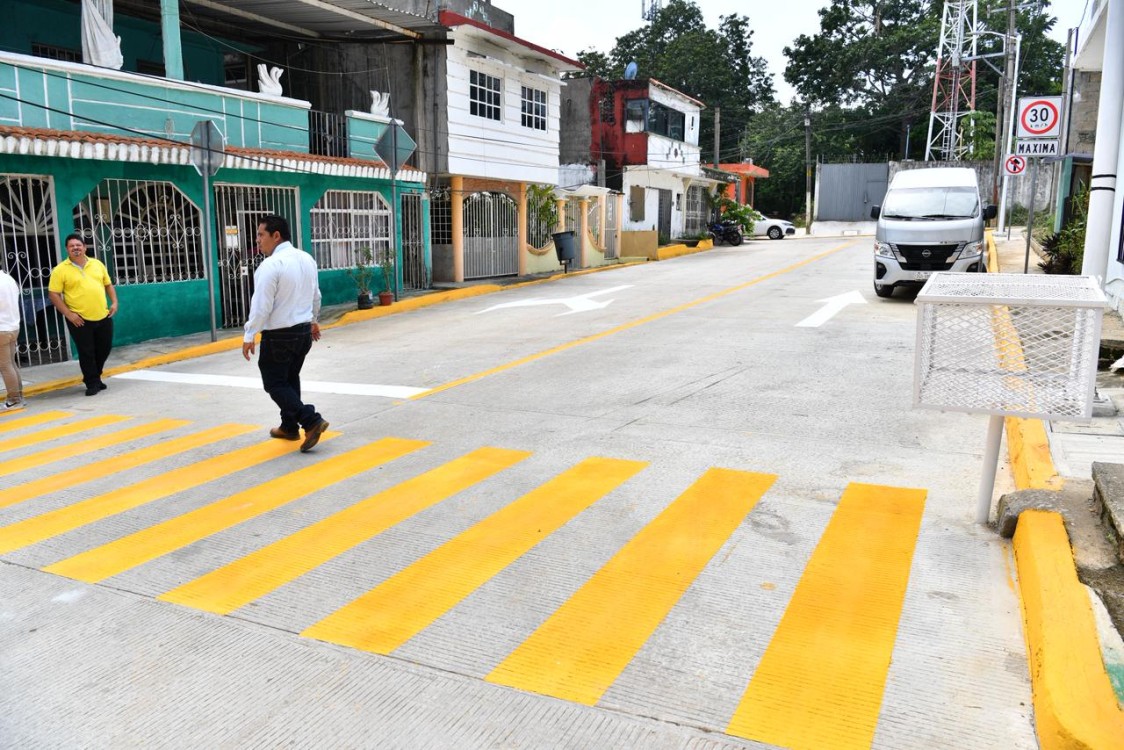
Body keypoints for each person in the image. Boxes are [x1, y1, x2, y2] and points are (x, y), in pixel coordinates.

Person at [242, 215, 329, 453]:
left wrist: (249, 335)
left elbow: (261, 306)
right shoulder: (306, 259)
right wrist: (313, 321)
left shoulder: (271, 265)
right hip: (302, 333)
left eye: (261, 234)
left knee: (274, 382)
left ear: (276, 235)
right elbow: (316, 295)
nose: (258, 240)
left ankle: (310, 420)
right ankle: (289, 426)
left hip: (279, 335)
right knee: (290, 378)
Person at [48, 234, 117, 397]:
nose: (75, 248)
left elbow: (108, 284)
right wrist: (69, 314)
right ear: (67, 249)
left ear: (85, 247)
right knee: (86, 352)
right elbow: (53, 294)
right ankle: (92, 382)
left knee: (104, 349)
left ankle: (94, 376)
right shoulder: (60, 270)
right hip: (79, 319)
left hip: (103, 315)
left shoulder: (97, 264)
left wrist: (114, 302)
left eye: (78, 245)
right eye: (72, 246)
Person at [0, 267, 24, 411]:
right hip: (13, 326)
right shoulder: (9, 279)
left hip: (1, 328)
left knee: (5, 365)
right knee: (10, 363)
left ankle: (14, 399)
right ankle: (18, 395)